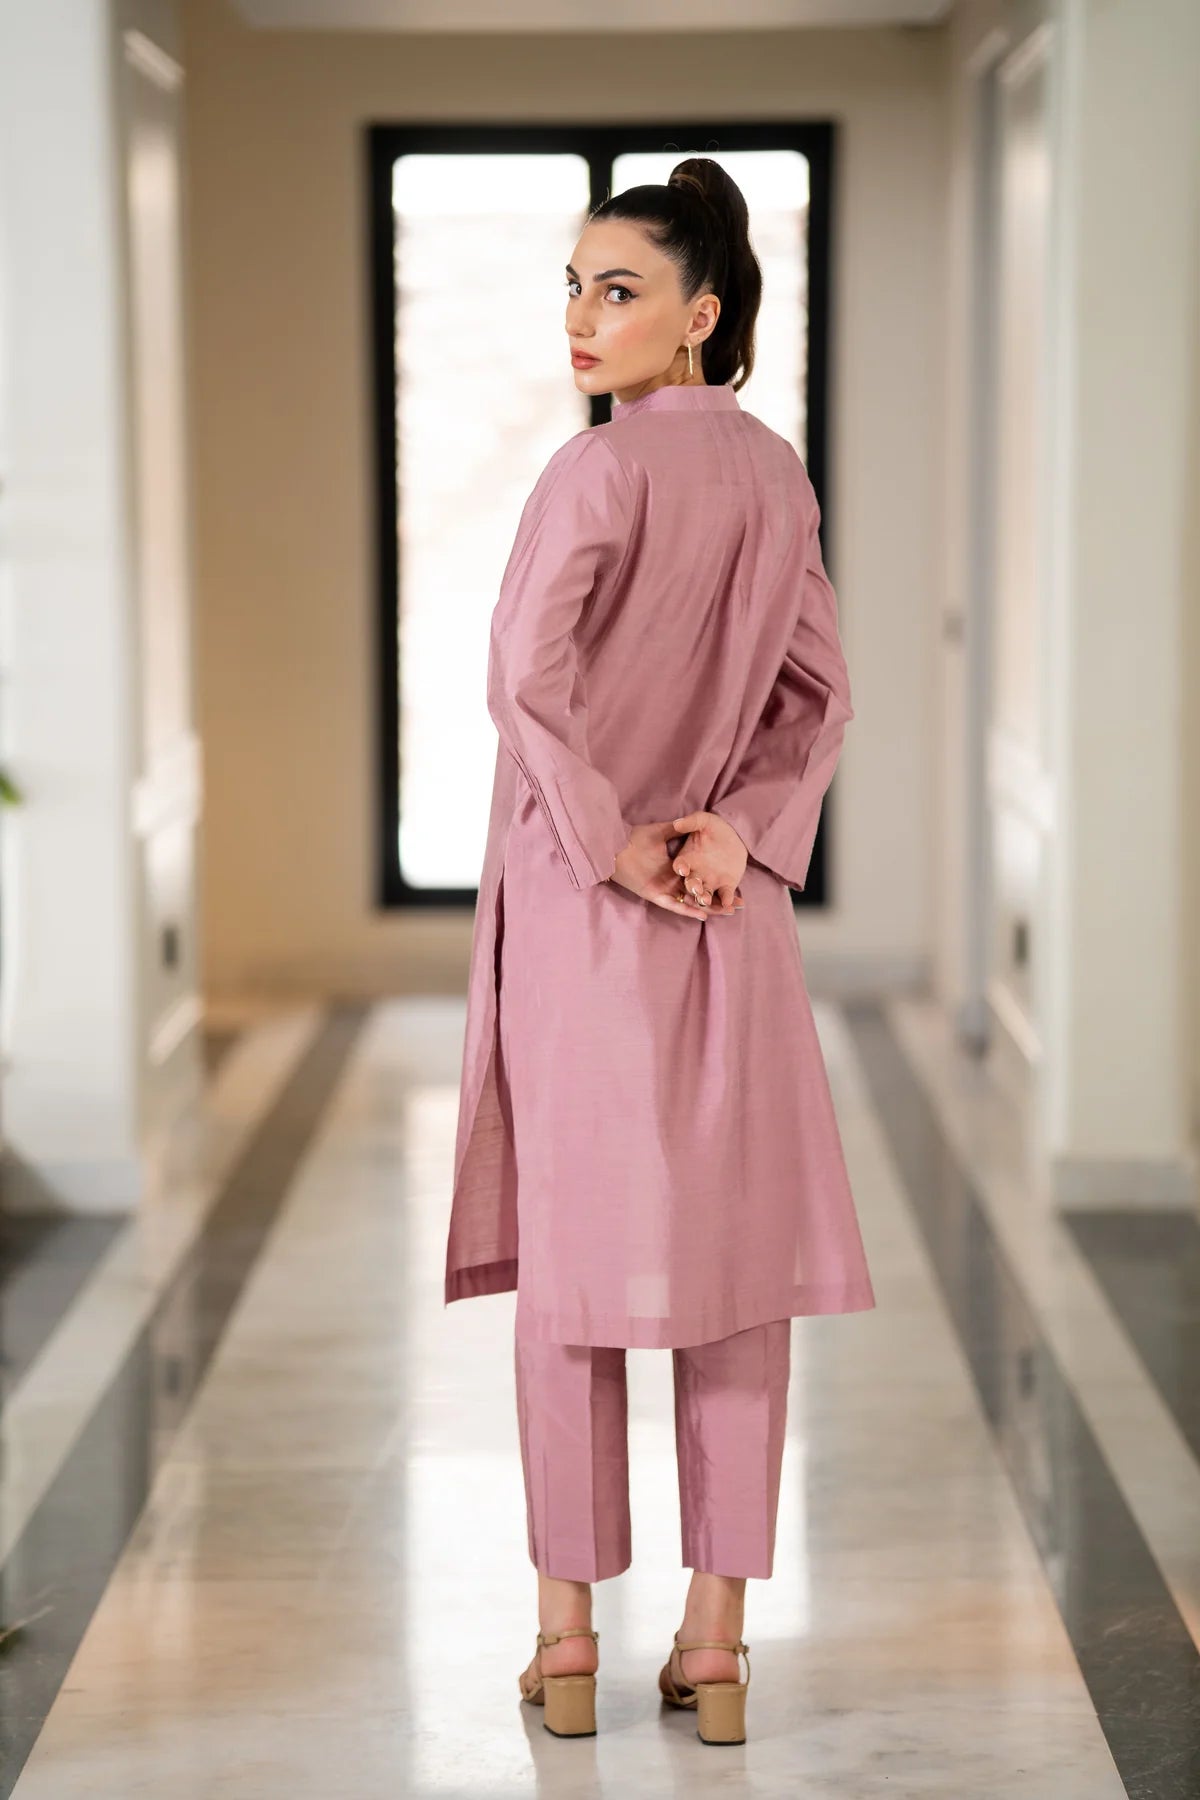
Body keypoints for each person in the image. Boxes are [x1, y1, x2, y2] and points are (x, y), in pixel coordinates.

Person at [444, 156, 876, 1746]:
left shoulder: (595, 472)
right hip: (727, 918)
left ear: (700, 316)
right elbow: (822, 697)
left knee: (574, 1275)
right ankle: (717, 1646)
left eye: (617, 289)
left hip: (591, 912)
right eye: (573, 285)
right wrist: (741, 834)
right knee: (733, 1274)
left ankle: (567, 1639)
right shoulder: (775, 479)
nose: (582, 315)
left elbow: (523, 678)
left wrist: (613, 835)